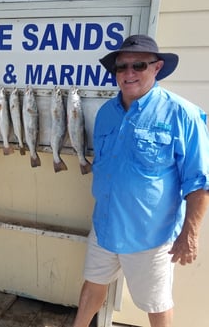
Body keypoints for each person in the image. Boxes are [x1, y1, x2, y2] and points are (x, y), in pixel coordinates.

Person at [72, 34, 209, 327]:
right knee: (93, 285)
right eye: (122, 67)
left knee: (156, 304)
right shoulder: (106, 113)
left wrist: (190, 233)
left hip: (151, 236)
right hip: (105, 225)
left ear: (156, 68)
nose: (129, 73)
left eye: (139, 65)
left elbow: (199, 182)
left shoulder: (182, 114)